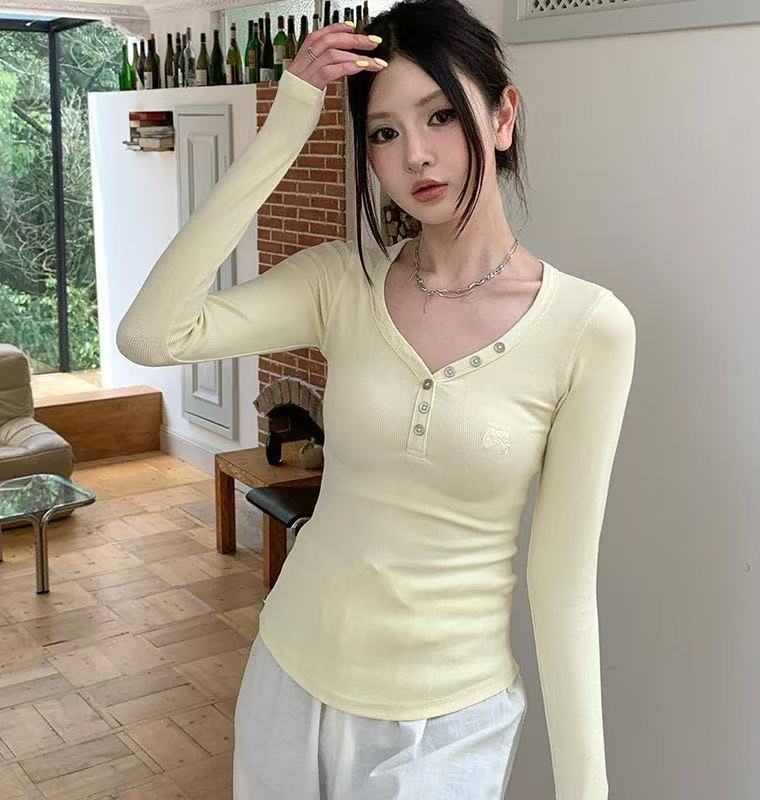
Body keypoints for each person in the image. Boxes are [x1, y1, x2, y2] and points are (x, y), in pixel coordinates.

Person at [115, 1, 637, 798]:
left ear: (503, 117)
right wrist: (290, 119)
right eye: (384, 132)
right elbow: (153, 334)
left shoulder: (588, 327)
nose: (416, 154)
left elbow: (563, 584)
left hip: (450, 719)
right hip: (290, 678)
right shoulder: (341, 283)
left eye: (441, 115)